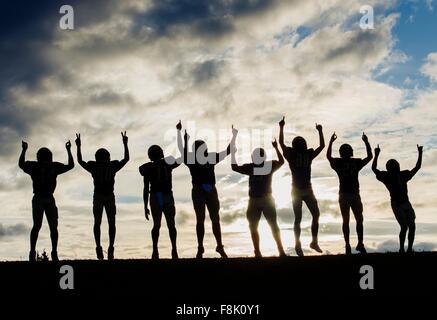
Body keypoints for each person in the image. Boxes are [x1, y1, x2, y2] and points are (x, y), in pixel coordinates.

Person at [177, 122, 237, 258]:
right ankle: (204, 247)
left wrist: (234, 137)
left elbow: (228, 151)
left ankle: (213, 247)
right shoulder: (195, 158)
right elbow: (183, 151)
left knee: (211, 218)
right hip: (203, 189)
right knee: (204, 219)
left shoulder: (203, 158)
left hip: (206, 189)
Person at [231, 127, 286, 258]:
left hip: (263, 199)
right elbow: (234, 167)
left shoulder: (263, 166)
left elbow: (282, 162)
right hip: (257, 199)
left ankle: (279, 251)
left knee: (270, 226)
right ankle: (260, 251)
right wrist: (276, 147)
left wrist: (276, 148)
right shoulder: (259, 166)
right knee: (259, 226)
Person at [75, 132, 129, 260]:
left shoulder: (94, 166)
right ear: (108, 157)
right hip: (108, 196)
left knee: (97, 223)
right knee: (111, 223)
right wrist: (125, 144)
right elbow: (126, 159)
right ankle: (110, 247)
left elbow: (80, 161)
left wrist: (78, 147)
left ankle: (99, 247)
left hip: (99, 196)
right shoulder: (112, 165)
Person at [19, 140, 74, 262]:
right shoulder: (51, 166)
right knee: (49, 227)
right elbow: (70, 165)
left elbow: (21, 164)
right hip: (45, 198)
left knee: (42, 227)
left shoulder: (36, 166)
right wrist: (69, 150)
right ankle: (48, 252)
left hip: (43, 198)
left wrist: (24, 150)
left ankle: (36, 252)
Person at [279, 117, 325, 257]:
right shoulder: (301, 154)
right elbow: (321, 146)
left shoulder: (296, 154)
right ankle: (302, 244)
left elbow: (281, 143)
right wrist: (320, 131)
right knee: (305, 217)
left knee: (307, 217)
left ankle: (310, 242)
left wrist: (281, 127)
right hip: (300, 190)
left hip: (303, 189)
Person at [139, 122, 183, 259]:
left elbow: (146, 187)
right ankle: (173, 249)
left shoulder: (148, 168)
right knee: (171, 224)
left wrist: (145, 205)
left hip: (156, 195)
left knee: (157, 225)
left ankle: (155, 250)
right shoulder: (167, 163)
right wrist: (179, 134)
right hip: (166, 195)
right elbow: (181, 157)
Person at [327, 132, 372, 255]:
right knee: (355, 220)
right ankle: (353, 244)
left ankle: (354, 244)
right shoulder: (352, 162)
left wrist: (331, 142)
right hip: (349, 194)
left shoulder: (342, 162)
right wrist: (366, 142)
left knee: (354, 220)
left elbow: (328, 157)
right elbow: (369, 157)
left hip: (349, 194)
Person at [372, 144, 423, 253]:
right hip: (397, 203)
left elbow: (374, 169)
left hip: (404, 202)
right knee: (405, 227)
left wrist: (420, 153)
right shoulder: (389, 176)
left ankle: (408, 248)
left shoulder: (400, 175)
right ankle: (402, 248)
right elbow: (374, 169)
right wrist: (420, 153)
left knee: (411, 226)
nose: (396, 167)